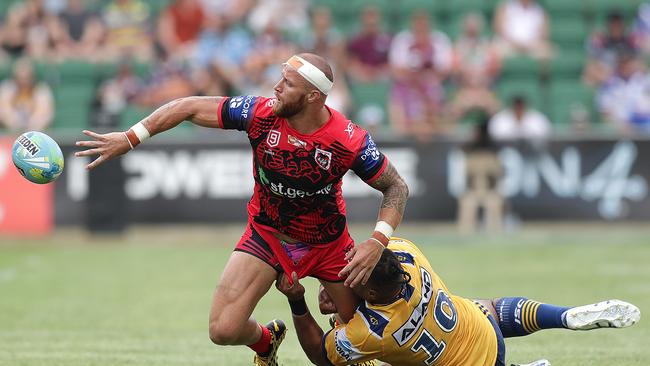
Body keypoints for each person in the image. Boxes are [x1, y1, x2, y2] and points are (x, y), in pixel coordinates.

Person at [74, 53, 409, 366]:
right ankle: (267, 342)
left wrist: (377, 241)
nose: (276, 87)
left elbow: (395, 186)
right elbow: (187, 107)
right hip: (267, 237)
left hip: (328, 246)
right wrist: (130, 138)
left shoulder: (347, 140)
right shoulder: (259, 114)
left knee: (347, 352)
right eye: (279, 78)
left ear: (312, 97)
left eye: (287, 84)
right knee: (222, 329)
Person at [276, 237, 641, 366]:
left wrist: (299, 301)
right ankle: (561, 316)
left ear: (370, 295)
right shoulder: (406, 253)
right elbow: (375, 261)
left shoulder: (375, 332)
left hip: (472, 361)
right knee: (486, 306)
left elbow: (321, 355)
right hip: (480, 324)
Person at [0, 57, 54, 132]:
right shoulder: (7, 88)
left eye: (26, 77)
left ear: (32, 77)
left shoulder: (41, 90)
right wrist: (16, 124)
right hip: (10, 133)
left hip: (36, 133)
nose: (23, 81)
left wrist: (31, 127)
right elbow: (4, 111)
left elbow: (44, 113)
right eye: (20, 77)